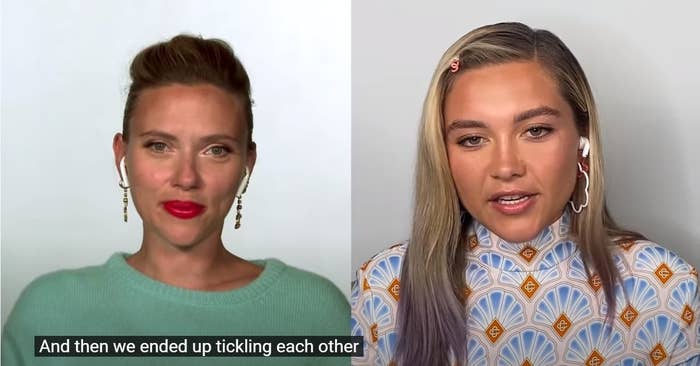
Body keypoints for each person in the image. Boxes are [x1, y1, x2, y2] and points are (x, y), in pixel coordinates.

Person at [351, 22, 699, 365]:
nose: (505, 167)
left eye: (535, 131)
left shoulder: (669, 287)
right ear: (443, 154)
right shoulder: (381, 285)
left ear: (583, 141)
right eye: (472, 139)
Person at [2, 35, 349, 366]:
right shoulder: (48, 312)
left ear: (247, 162)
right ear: (122, 155)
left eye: (216, 150)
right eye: (159, 146)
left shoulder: (315, 314)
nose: (186, 178)